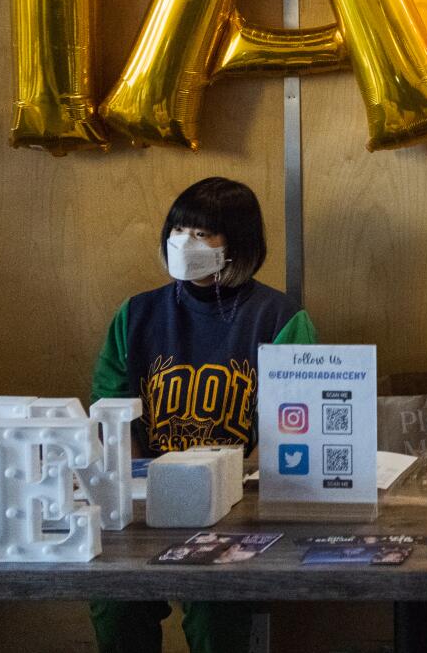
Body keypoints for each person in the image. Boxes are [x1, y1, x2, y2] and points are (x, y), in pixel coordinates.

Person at [88, 178, 317, 653]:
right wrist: (135, 491)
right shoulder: (135, 315)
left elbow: (289, 424)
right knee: (115, 604)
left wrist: (235, 497)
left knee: (216, 614)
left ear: (239, 245)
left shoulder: (281, 319)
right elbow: (112, 418)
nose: (183, 241)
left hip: (236, 507)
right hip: (145, 502)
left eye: (203, 233)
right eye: (178, 228)